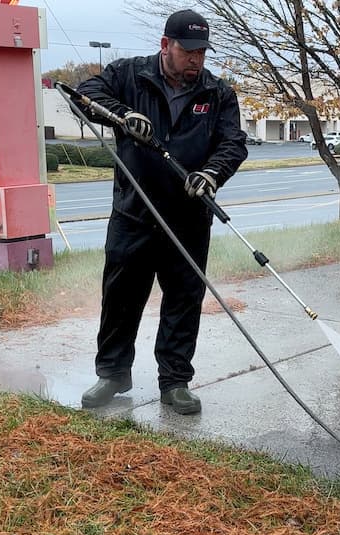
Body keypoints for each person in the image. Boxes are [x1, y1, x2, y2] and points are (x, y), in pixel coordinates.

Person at [74, 9, 247, 414]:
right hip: (133, 213)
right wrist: (122, 114)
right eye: (188, 51)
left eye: (202, 52)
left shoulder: (217, 94)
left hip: (188, 219)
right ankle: (113, 374)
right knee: (120, 297)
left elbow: (233, 143)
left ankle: (175, 381)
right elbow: (84, 95)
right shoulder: (129, 75)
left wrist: (211, 173)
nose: (196, 60)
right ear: (165, 45)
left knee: (183, 300)